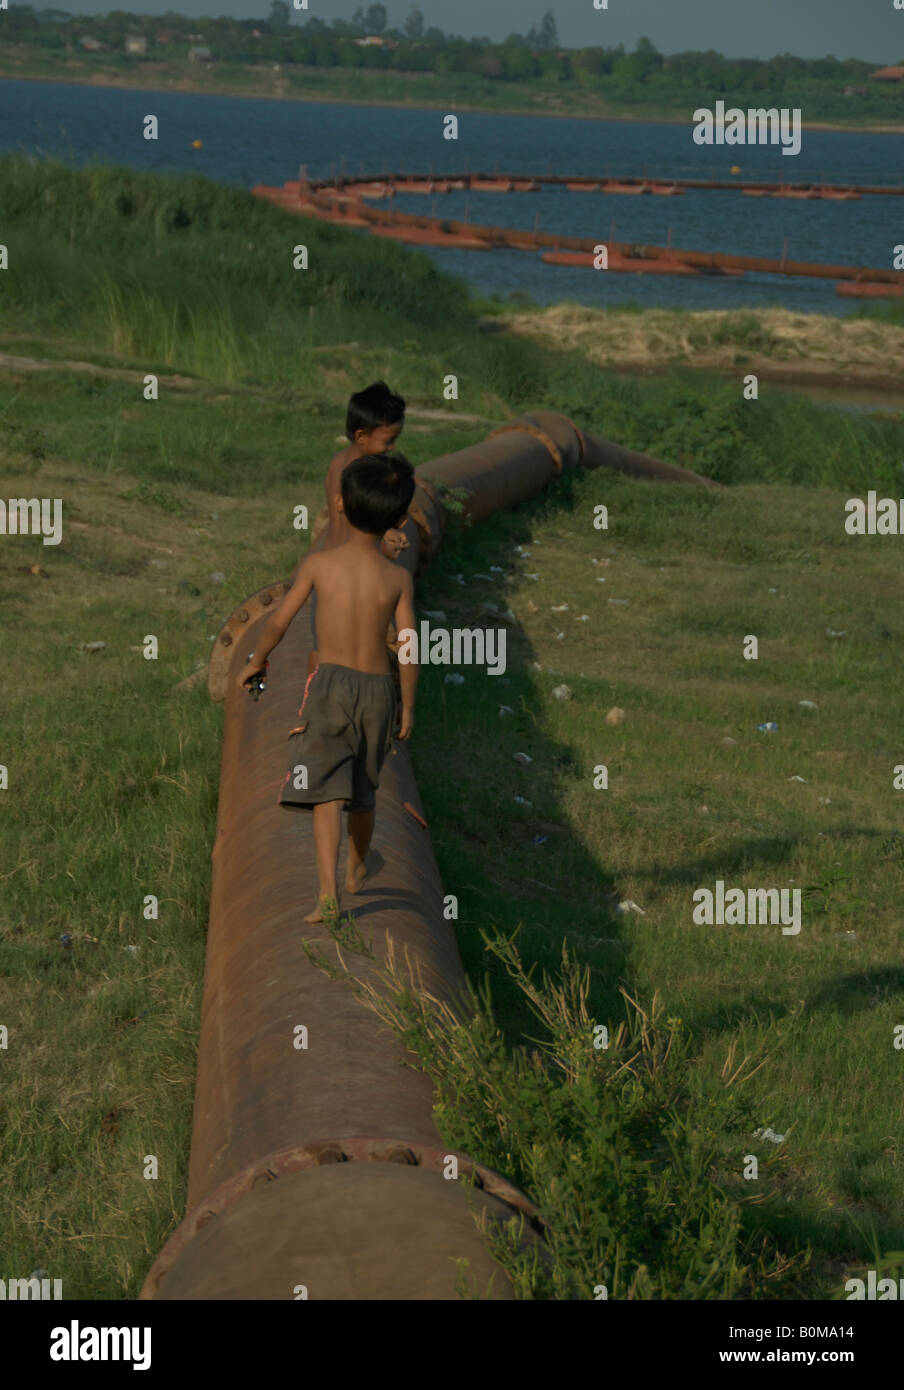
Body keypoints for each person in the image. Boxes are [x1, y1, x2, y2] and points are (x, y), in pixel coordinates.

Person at [237, 453, 418, 925]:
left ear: (339, 504)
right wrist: (409, 706)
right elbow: (407, 647)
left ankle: (327, 894)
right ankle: (358, 868)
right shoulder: (398, 577)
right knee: (364, 790)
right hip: (379, 690)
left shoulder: (320, 564)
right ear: (399, 519)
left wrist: (257, 662)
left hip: (331, 687)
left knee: (325, 794)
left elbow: (280, 619)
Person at [309, 381, 410, 673]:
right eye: (388, 441)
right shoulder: (352, 474)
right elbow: (350, 523)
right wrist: (387, 535)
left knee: (323, 644)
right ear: (361, 436)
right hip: (346, 573)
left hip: (336, 568)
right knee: (334, 647)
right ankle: (315, 696)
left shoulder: (346, 462)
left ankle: (313, 698)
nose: (391, 449)